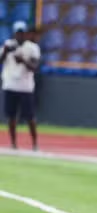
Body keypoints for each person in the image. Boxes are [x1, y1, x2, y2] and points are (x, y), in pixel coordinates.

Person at [1, 21, 41, 151]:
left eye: (22, 33)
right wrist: (5, 51)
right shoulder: (7, 45)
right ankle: (13, 143)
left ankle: (35, 144)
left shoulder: (32, 47)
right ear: (14, 34)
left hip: (26, 87)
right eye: (18, 33)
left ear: (26, 34)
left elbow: (34, 67)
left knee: (30, 117)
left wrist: (23, 60)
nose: (20, 36)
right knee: (11, 117)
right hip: (10, 84)